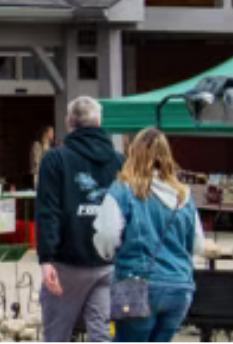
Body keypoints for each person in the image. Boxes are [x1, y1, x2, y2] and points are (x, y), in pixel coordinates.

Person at [94, 127, 204, 343]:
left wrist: (108, 253)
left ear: (134, 153)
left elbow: (107, 235)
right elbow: (198, 245)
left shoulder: (123, 190)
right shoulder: (184, 195)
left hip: (135, 283)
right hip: (179, 286)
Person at [37, 94, 124, 343]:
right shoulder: (119, 162)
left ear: (69, 123)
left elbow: (48, 211)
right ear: (99, 122)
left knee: (57, 334)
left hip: (67, 262)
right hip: (109, 262)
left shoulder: (55, 159)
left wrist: (46, 257)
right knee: (101, 334)